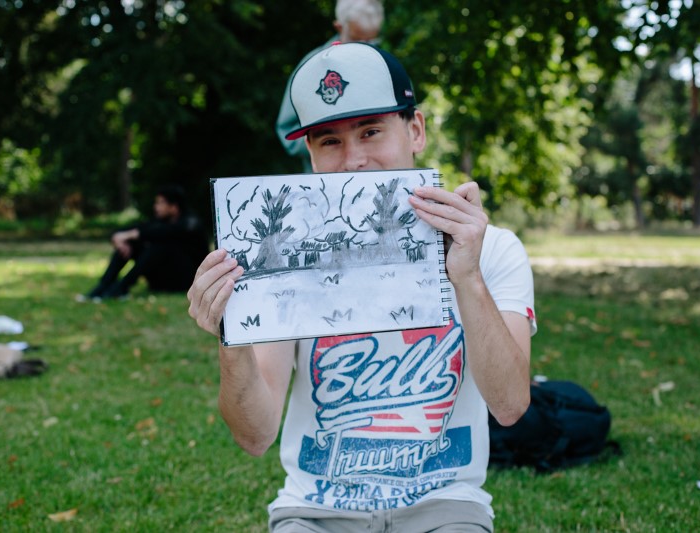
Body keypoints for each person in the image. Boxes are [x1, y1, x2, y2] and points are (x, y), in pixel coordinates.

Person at [189, 42, 537, 532]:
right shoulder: (283, 258)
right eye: (329, 141)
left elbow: (509, 406)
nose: (353, 160)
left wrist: (466, 277)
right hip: (314, 509)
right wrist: (233, 337)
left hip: (444, 507)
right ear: (309, 153)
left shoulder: (493, 250)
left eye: (371, 132)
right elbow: (255, 436)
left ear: (415, 130)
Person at [275, 0, 384, 172]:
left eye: (371, 40)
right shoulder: (311, 68)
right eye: (358, 39)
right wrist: (329, 142)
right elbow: (287, 129)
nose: (366, 47)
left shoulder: (384, 65)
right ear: (339, 27)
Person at [80, 184, 208, 301]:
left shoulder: (191, 223)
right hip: (161, 279)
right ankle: (104, 285)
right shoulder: (160, 221)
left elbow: (164, 232)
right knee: (132, 244)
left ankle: (121, 288)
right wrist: (119, 238)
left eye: (160, 203)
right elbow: (133, 230)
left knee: (160, 245)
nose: (156, 207)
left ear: (174, 207)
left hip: (185, 280)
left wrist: (132, 234)